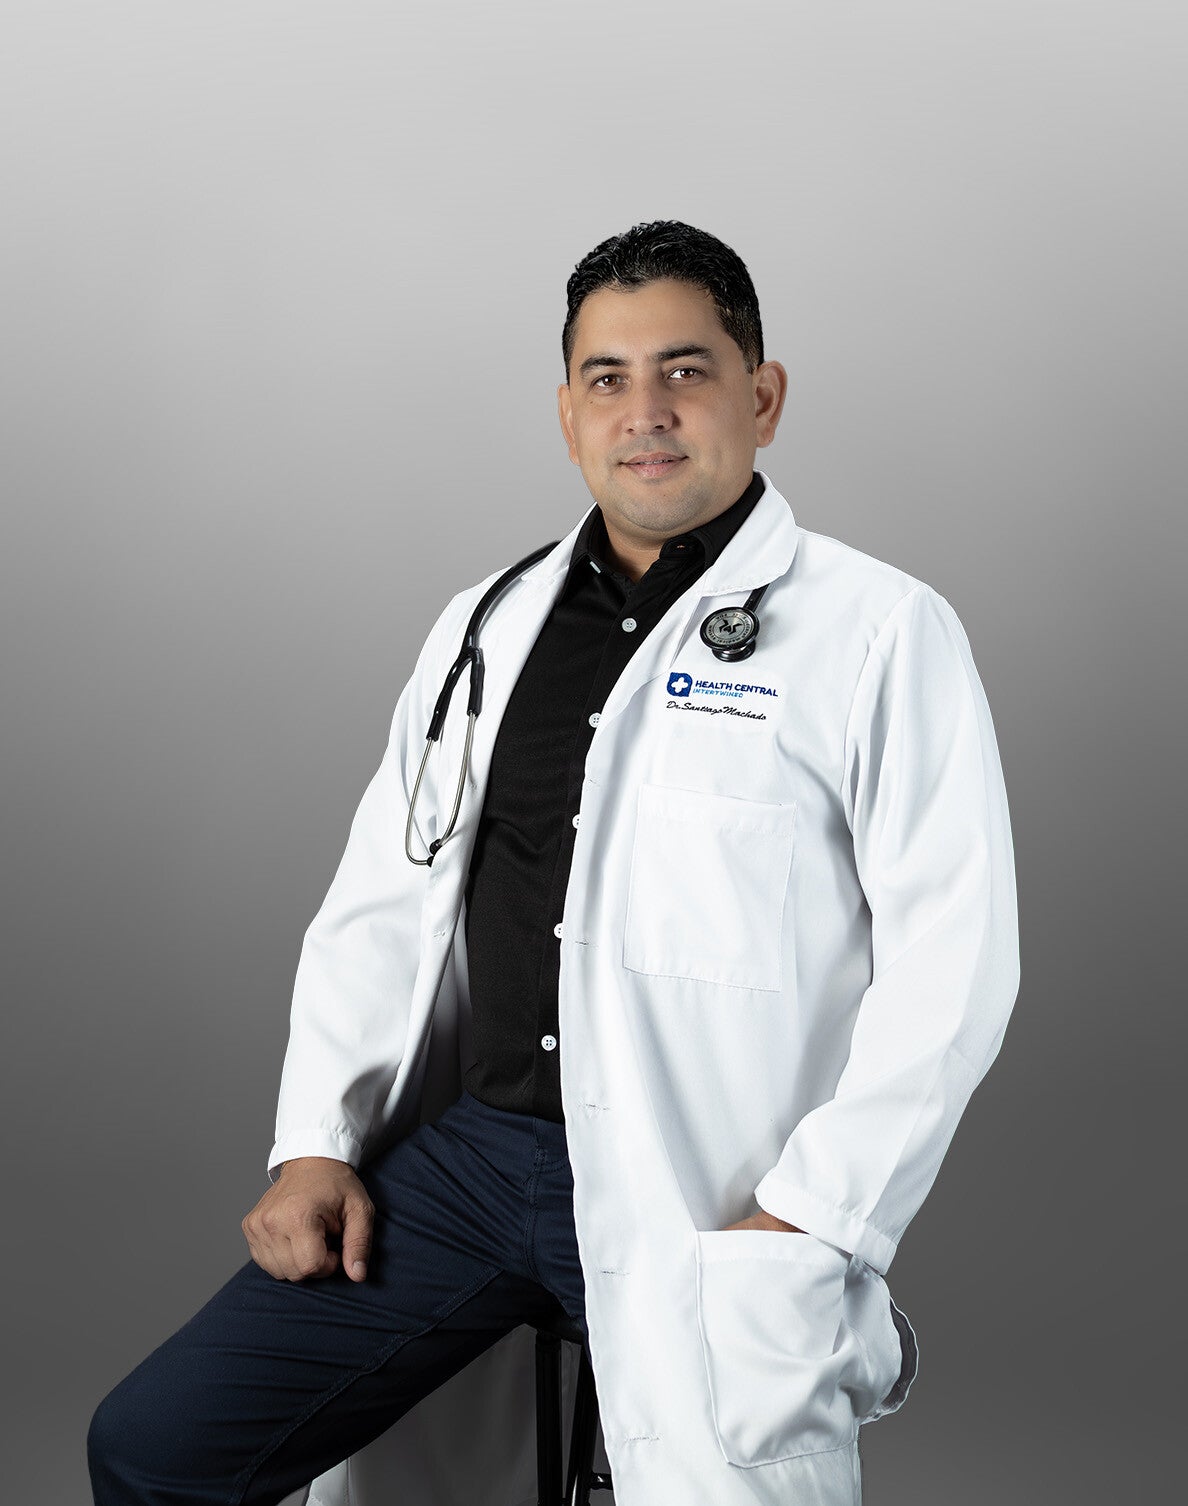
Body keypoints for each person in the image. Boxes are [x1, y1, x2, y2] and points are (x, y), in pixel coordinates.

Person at [89, 220, 1020, 1506]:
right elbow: (381, 904)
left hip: (699, 1182)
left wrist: (818, 1211)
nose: (646, 413)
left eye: (686, 371)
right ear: (569, 415)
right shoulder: (488, 623)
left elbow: (953, 965)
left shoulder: (879, 632)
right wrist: (314, 1145)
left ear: (762, 397)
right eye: (607, 379)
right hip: (476, 1166)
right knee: (155, 1448)